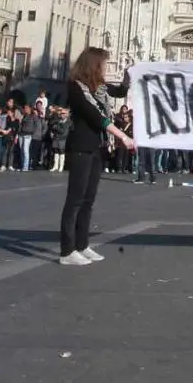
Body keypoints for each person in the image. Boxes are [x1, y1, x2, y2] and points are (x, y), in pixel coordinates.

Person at [59, 48, 134, 267]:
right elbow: (96, 116)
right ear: (93, 64)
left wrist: (129, 77)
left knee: (88, 199)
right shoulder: (75, 87)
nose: (105, 67)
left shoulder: (99, 87)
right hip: (81, 147)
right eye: (103, 64)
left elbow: (119, 91)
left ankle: (82, 245)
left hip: (96, 148)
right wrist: (122, 136)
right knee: (75, 200)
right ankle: (67, 250)